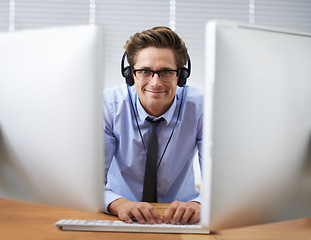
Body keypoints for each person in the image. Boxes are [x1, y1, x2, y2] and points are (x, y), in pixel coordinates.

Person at [103, 26, 203, 225]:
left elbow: (221, 186)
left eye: (166, 72)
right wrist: (118, 204)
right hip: (120, 216)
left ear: (181, 76)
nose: (155, 83)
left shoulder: (201, 108)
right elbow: (89, 185)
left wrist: (199, 205)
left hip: (181, 219)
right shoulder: (109, 106)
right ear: (130, 74)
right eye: (145, 71)